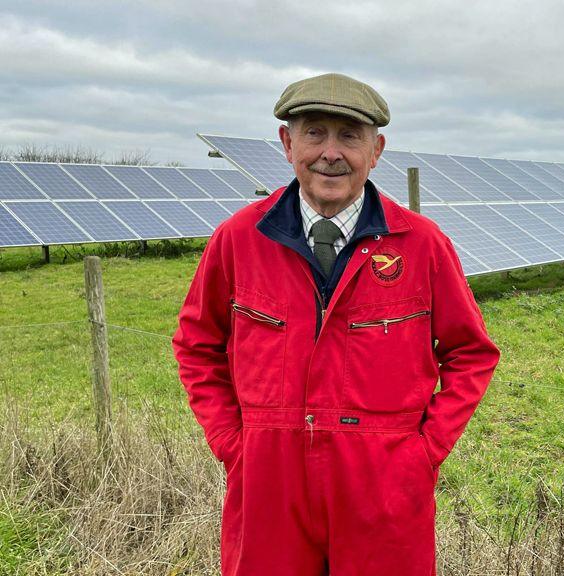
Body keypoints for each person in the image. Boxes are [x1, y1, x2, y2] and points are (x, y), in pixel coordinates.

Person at [172, 72, 500, 576]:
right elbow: (197, 344)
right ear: (287, 143)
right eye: (314, 133)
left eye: (349, 135)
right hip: (268, 484)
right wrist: (234, 445)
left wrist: (423, 453)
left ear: (377, 149)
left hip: (384, 487)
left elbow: (471, 352)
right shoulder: (239, 239)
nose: (331, 152)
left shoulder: (421, 244)